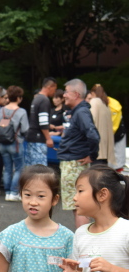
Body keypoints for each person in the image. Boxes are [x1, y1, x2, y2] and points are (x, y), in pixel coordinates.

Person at [58, 79, 99, 228]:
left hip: (74, 163)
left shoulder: (81, 112)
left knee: (78, 206)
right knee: (79, 206)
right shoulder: (79, 112)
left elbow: (93, 135)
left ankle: (82, 244)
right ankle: (83, 242)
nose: (64, 95)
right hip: (74, 161)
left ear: (76, 94)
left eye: (66, 92)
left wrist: (92, 155)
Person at [0, 86, 29, 201]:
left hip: (2, 144)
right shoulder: (21, 111)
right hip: (16, 143)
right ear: (19, 98)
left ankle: (8, 192)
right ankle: (14, 192)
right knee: (19, 168)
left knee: (7, 168)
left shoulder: (2, 110)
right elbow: (25, 129)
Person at [25, 77, 57, 166]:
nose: (55, 91)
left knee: (31, 168)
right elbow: (43, 122)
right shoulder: (44, 100)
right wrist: (48, 138)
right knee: (39, 169)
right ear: (50, 86)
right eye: (55, 88)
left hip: (31, 137)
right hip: (38, 139)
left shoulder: (36, 98)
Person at [86, 85, 115, 167]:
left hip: (97, 148)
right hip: (105, 148)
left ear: (92, 93)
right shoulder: (105, 104)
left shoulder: (94, 102)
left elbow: (91, 121)